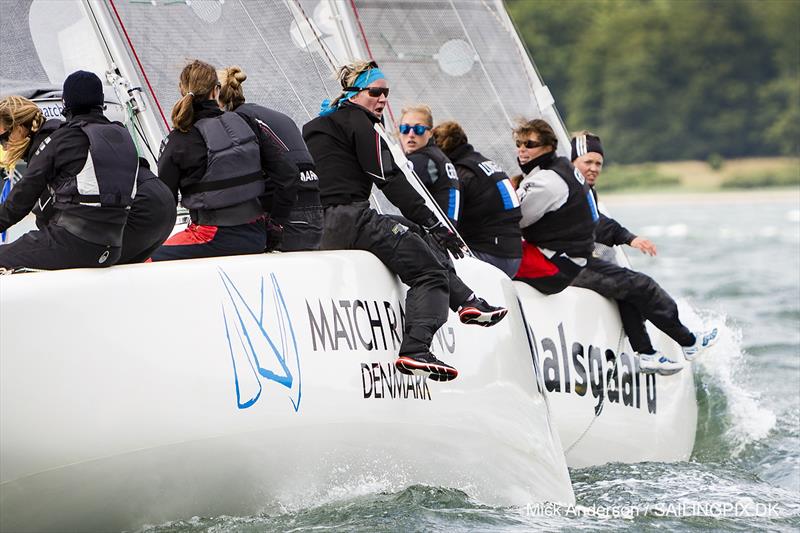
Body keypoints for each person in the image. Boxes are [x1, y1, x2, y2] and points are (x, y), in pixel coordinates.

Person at [302, 60, 507, 382]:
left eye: (386, 93)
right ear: (354, 93)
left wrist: (426, 226)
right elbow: (389, 179)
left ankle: (468, 301)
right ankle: (416, 350)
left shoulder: (318, 124)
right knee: (429, 273)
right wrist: (437, 223)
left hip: (320, 223)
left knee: (414, 232)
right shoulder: (360, 123)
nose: (383, 99)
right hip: (351, 219)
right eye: (376, 92)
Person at [569, 131, 718, 374]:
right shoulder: (570, 188)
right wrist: (629, 238)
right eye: (588, 162)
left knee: (630, 290)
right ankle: (689, 342)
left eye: (599, 163)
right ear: (573, 161)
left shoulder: (583, 189)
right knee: (643, 286)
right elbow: (594, 224)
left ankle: (647, 353)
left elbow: (596, 220)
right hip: (566, 266)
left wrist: (628, 237)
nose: (594, 168)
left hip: (574, 263)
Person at [152, 60, 298, 261]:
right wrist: (274, 226)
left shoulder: (178, 140)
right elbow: (288, 175)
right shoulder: (247, 123)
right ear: (216, 90)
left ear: (182, 90)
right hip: (256, 235)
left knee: (143, 259)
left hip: (210, 238)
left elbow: (163, 203)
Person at [0, 72, 138, 270]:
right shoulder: (123, 135)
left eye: (3, 139)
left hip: (73, 243)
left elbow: (18, 203)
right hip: (113, 248)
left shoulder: (63, 139)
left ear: (66, 104)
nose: (4, 146)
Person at [218, 66, 322, 252]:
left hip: (286, 214)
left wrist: (276, 224)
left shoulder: (238, 121)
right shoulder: (277, 116)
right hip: (315, 211)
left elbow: (286, 176)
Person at [513, 118, 599, 294]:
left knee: (487, 252)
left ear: (548, 147)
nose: (522, 149)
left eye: (529, 144)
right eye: (519, 143)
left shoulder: (546, 181)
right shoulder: (562, 166)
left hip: (556, 267)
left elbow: (513, 220)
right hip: (570, 259)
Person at [433, 120, 522, 277]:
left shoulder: (459, 174)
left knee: (431, 259)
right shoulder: (484, 163)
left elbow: (449, 221)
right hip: (513, 256)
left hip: (491, 257)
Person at [398, 105, 461, 226]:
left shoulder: (422, 160)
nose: (411, 134)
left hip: (435, 236)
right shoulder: (438, 156)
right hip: (446, 232)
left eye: (419, 129)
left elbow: (396, 192)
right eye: (405, 128)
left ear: (430, 133)